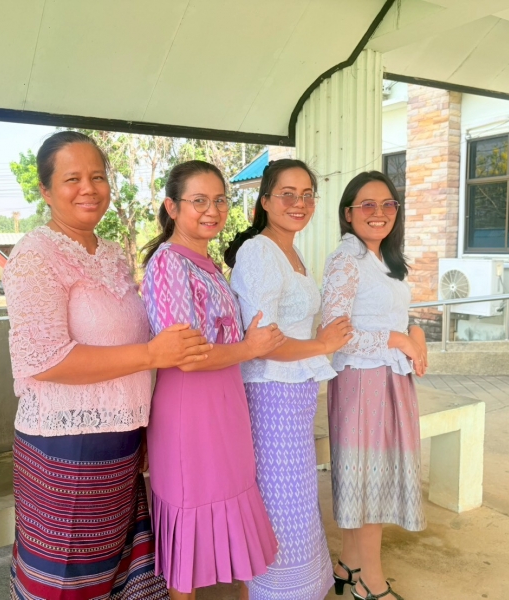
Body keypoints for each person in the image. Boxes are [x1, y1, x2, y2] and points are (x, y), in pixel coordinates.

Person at [3, 131, 211, 600]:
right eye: (72, 179)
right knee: (67, 579)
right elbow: (44, 359)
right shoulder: (35, 256)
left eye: (97, 177)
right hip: (66, 448)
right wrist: (152, 354)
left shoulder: (113, 253)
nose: (89, 188)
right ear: (45, 190)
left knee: (113, 571)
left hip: (123, 441)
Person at [141, 160, 284, 599]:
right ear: (172, 207)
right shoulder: (169, 263)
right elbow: (186, 355)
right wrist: (250, 348)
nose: (213, 210)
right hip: (190, 410)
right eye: (199, 200)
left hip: (226, 404)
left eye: (220, 200)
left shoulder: (204, 262)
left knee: (232, 503)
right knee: (189, 519)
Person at [226, 159, 353, 600]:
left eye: (307, 195)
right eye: (287, 194)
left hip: (294, 392)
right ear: (265, 201)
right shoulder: (260, 252)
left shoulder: (291, 252)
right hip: (270, 393)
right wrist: (322, 344)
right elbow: (263, 343)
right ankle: (276, 591)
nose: (299, 203)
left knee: (297, 499)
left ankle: (297, 588)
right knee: (282, 504)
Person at [321, 171, 428, 600]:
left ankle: (349, 565)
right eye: (367, 204)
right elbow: (336, 334)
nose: (379, 212)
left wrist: (414, 334)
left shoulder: (384, 258)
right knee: (369, 483)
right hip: (363, 379)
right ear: (348, 213)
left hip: (389, 378)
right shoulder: (346, 259)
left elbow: (394, 315)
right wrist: (398, 340)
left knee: (368, 478)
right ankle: (371, 581)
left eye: (388, 204)